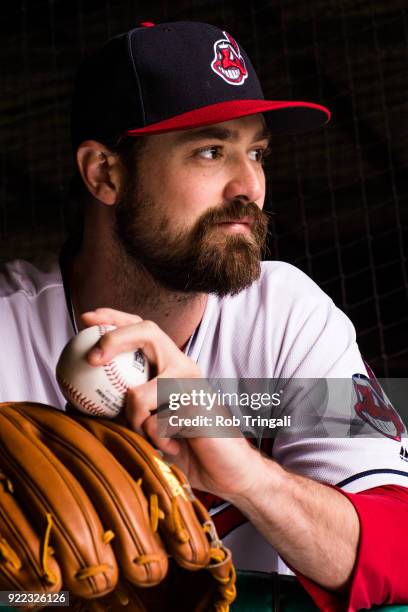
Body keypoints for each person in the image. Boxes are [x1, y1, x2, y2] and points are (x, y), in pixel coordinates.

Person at [1, 21, 408, 611]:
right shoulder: (9, 330)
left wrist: (244, 472)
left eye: (258, 152)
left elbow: (398, 545)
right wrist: (44, 600)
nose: (250, 186)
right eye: (211, 151)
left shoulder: (289, 315)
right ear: (104, 173)